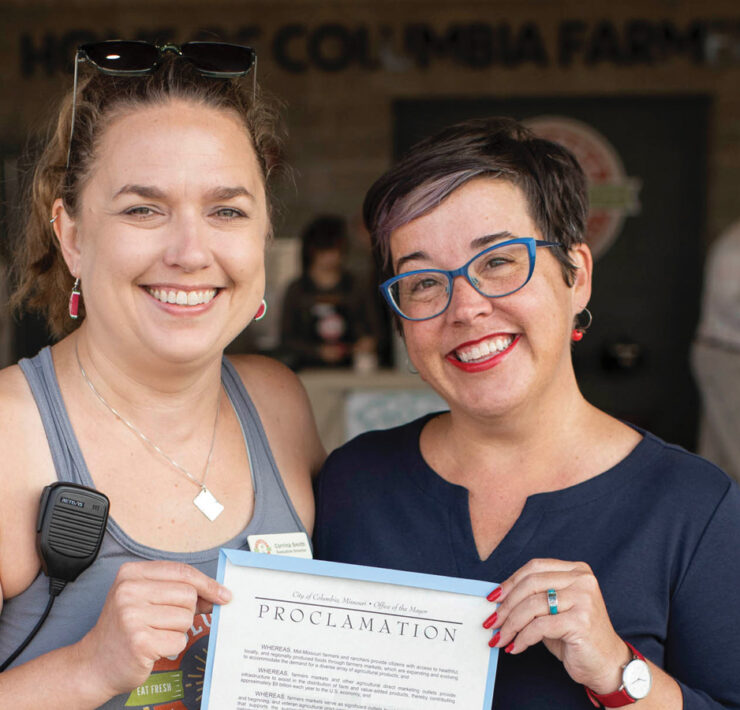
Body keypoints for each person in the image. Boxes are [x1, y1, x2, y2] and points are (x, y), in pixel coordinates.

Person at [314, 117, 740, 708]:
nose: (464, 308)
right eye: (422, 282)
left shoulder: (696, 509)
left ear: (578, 277)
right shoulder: (350, 483)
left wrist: (618, 672)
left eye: (498, 262)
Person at [0, 41, 324, 709]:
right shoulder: (10, 434)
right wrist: (89, 668)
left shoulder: (277, 404)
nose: (189, 251)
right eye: (143, 209)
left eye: (227, 211)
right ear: (73, 235)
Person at [280, 214, 378, 369]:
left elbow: (374, 329)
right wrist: (317, 352)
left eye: (337, 249)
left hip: (352, 369)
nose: (332, 256)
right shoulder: (297, 290)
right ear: (312, 250)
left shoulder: (356, 286)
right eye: (326, 249)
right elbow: (286, 340)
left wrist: (367, 342)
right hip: (307, 371)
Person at [691, 218, 740, 483]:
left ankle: (711, 517)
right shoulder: (734, 246)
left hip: (728, 354)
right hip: (724, 355)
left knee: (717, 452)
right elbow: (731, 307)